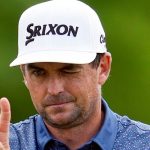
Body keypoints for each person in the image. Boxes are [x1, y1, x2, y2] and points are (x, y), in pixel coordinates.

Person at [0, 0, 150, 149]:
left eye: (68, 70)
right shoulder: (9, 144)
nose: (54, 89)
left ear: (103, 67)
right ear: (24, 75)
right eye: (39, 73)